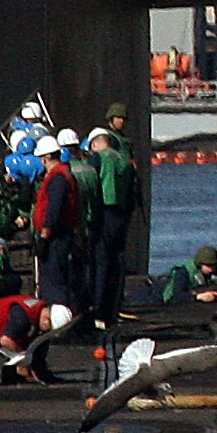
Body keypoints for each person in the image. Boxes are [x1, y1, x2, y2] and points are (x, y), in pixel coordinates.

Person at [0, 294, 73, 386]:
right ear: (46, 321)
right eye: (50, 329)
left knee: (41, 342)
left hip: (3, 332)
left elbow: (37, 347)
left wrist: (40, 373)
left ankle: (12, 373)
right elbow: (6, 341)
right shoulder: (22, 317)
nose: (49, 333)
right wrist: (22, 362)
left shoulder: (39, 312)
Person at [87, 126, 137, 326]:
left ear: (96, 143)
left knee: (100, 262)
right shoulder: (124, 160)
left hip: (103, 212)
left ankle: (98, 311)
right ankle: (113, 310)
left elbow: (91, 184)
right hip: (121, 214)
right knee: (117, 262)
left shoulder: (99, 158)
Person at [32, 133, 80, 308]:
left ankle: (58, 315)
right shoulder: (64, 174)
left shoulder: (58, 178)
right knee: (60, 278)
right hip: (61, 235)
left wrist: (44, 236)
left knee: (53, 280)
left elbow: (54, 209)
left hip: (56, 238)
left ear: (45, 158)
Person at [60, 127, 102, 310]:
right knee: (87, 270)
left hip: (73, 228)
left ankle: (72, 310)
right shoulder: (91, 170)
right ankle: (89, 308)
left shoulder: (67, 173)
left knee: (69, 273)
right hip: (92, 226)